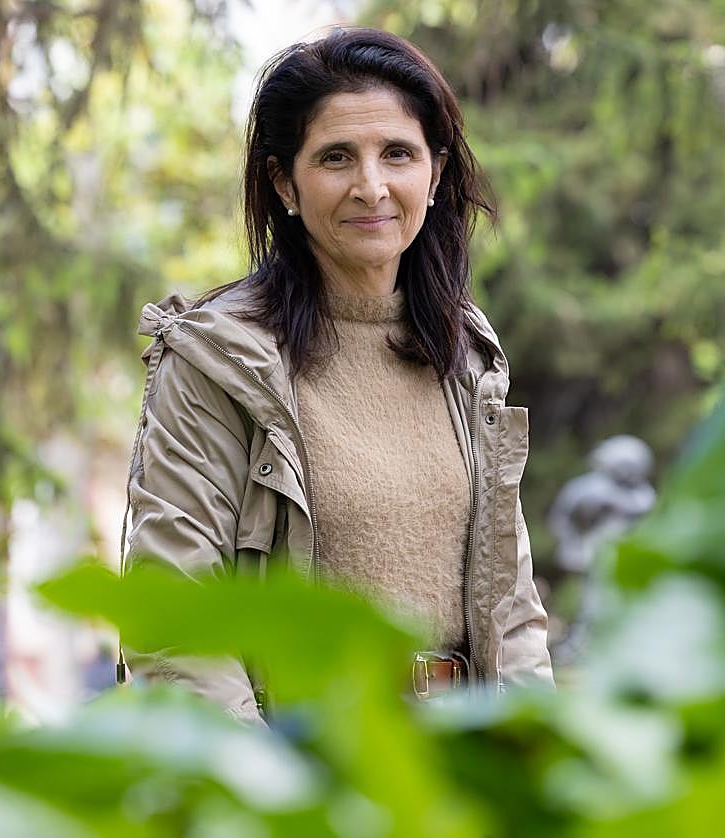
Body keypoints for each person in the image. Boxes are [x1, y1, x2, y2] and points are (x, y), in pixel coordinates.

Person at [121, 27, 553, 725]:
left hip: (462, 766)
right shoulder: (218, 361)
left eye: (398, 154)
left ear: (436, 174)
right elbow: (176, 620)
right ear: (284, 181)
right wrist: (267, 797)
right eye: (336, 157)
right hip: (304, 764)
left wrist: (537, 765)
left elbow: (513, 610)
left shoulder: (467, 352)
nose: (371, 186)